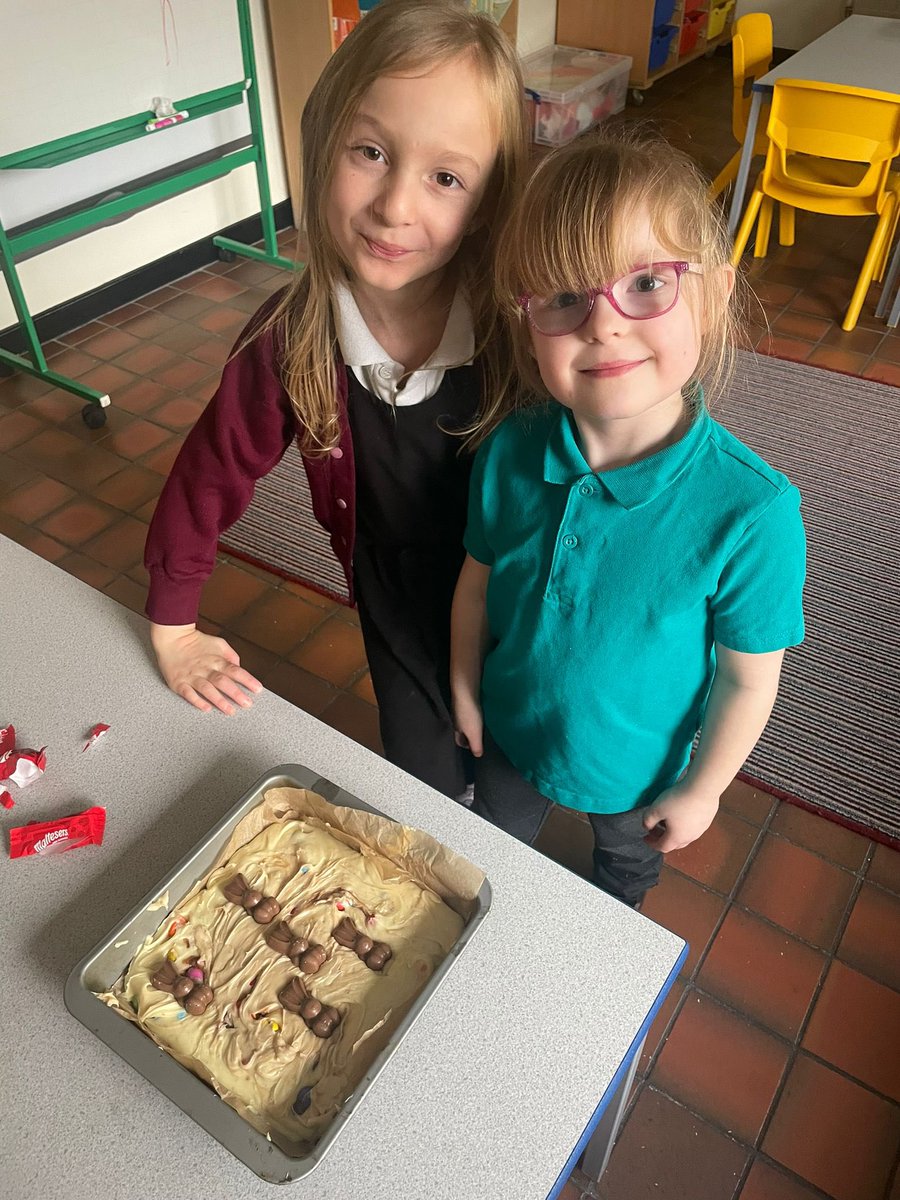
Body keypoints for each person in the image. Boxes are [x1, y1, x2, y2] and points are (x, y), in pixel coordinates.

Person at [144, 0, 528, 799]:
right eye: (371, 151)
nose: (394, 207)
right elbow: (209, 474)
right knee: (424, 782)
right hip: (393, 597)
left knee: (514, 778)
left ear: (487, 203)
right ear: (322, 147)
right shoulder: (294, 337)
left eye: (446, 177)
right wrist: (173, 624)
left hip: (519, 599)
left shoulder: (519, 329)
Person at [450, 128, 806, 908]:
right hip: (511, 732)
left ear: (711, 297)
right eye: (566, 296)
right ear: (527, 323)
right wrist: (467, 692)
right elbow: (476, 587)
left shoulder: (754, 511)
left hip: (640, 775)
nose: (603, 323)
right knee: (486, 856)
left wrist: (706, 789)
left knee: (624, 874)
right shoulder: (510, 451)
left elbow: (749, 681)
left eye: (647, 282)